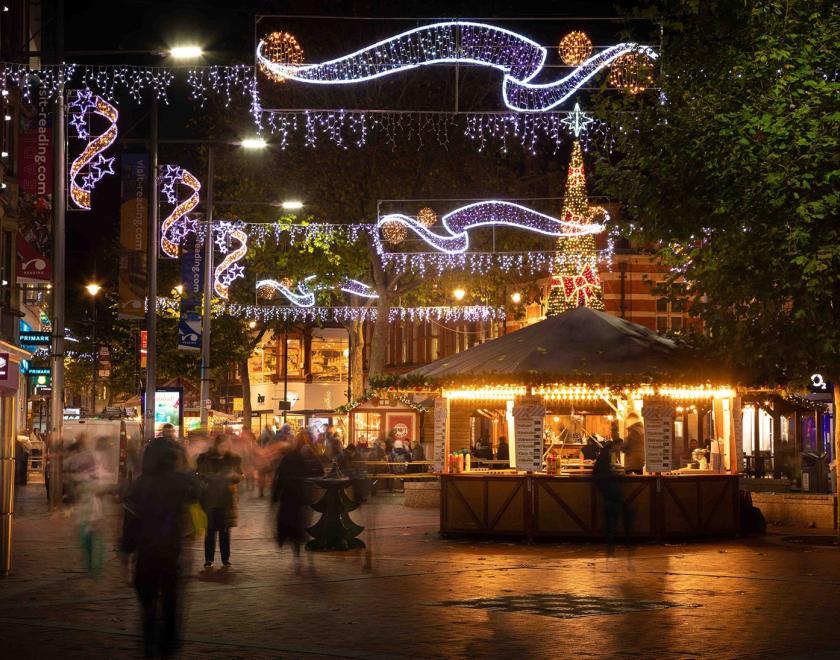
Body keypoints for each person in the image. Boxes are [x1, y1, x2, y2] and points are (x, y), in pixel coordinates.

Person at [121, 438, 200, 657]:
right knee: (171, 601)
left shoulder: (139, 484)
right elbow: (198, 492)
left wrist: (126, 553)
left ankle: (149, 644)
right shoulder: (182, 482)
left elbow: (130, 523)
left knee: (148, 605)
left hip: (146, 553)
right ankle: (168, 645)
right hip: (172, 551)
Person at [272, 429, 322, 555]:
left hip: (292, 496)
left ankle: (297, 548)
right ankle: (299, 546)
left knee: (294, 523)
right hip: (302, 496)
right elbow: (319, 472)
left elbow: (280, 476)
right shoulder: (310, 454)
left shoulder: (290, 456)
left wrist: (275, 495)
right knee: (301, 523)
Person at [196, 435, 243, 568]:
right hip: (210, 498)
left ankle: (225, 558)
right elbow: (199, 474)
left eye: (227, 446)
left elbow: (240, 475)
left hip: (226, 498)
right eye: (222, 446)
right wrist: (211, 477)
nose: (224, 449)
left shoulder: (234, 459)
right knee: (210, 530)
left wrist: (234, 477)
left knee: (225, 531)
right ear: (216, 445)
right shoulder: (205, 458)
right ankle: (208, 558)